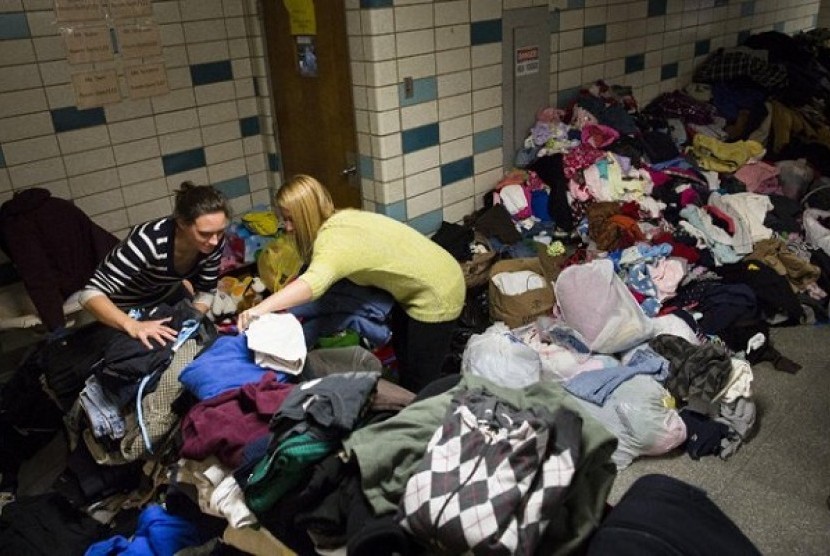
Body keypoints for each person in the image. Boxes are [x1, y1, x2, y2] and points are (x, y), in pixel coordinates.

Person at [238, 174, 465, 392]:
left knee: (420, 381)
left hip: (438, 292)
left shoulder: (334, 243)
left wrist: (260, 308)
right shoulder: (340, 218)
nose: (286, 227)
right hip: (423, 279)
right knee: (405, 362)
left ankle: (425, 422)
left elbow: (313, 283)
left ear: (307, 215)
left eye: (290, 219)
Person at [80, 182, 230, 349]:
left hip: (163, 297)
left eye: (220, 231)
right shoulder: (148, 241)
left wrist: (189, 321)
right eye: (204, 233)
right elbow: (89, 295)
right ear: (181, 222)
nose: (215, 241)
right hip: (121, 308)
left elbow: (206, 290)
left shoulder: (213, 240)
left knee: (202, 344)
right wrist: (133, 326)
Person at [0, 188, 119, 334]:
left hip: (77, 295)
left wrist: (56, 326)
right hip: (101, 280)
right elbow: (99, 239)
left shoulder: (14, 226)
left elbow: (37, 276)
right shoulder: (60, 205)